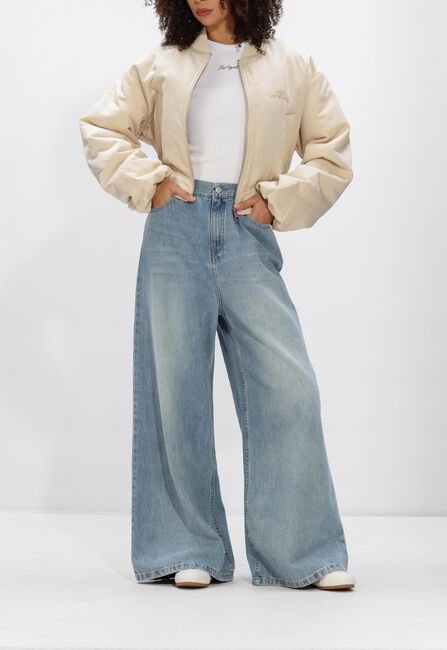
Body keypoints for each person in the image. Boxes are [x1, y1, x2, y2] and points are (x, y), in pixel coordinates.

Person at [79, 0, 356, 590]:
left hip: (249, 228)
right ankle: (186, 548)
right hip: (175, 230)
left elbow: (331, 152)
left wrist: (278, 201)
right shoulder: (164, 64)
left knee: (289, 389)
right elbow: (101, 128)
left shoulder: (293, 66)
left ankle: (304, 554)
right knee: (175, 389)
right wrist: (149, 183)